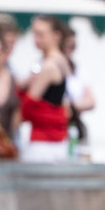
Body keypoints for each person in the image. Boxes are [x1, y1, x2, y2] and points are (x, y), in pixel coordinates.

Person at [18, 16, 73, 162]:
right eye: (35, 34)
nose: (36, 39)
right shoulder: (61, 61)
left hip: (44, 143)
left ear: (56, 36)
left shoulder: (49, 65)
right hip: (56, 140)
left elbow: (28, 106)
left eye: (41, 34)